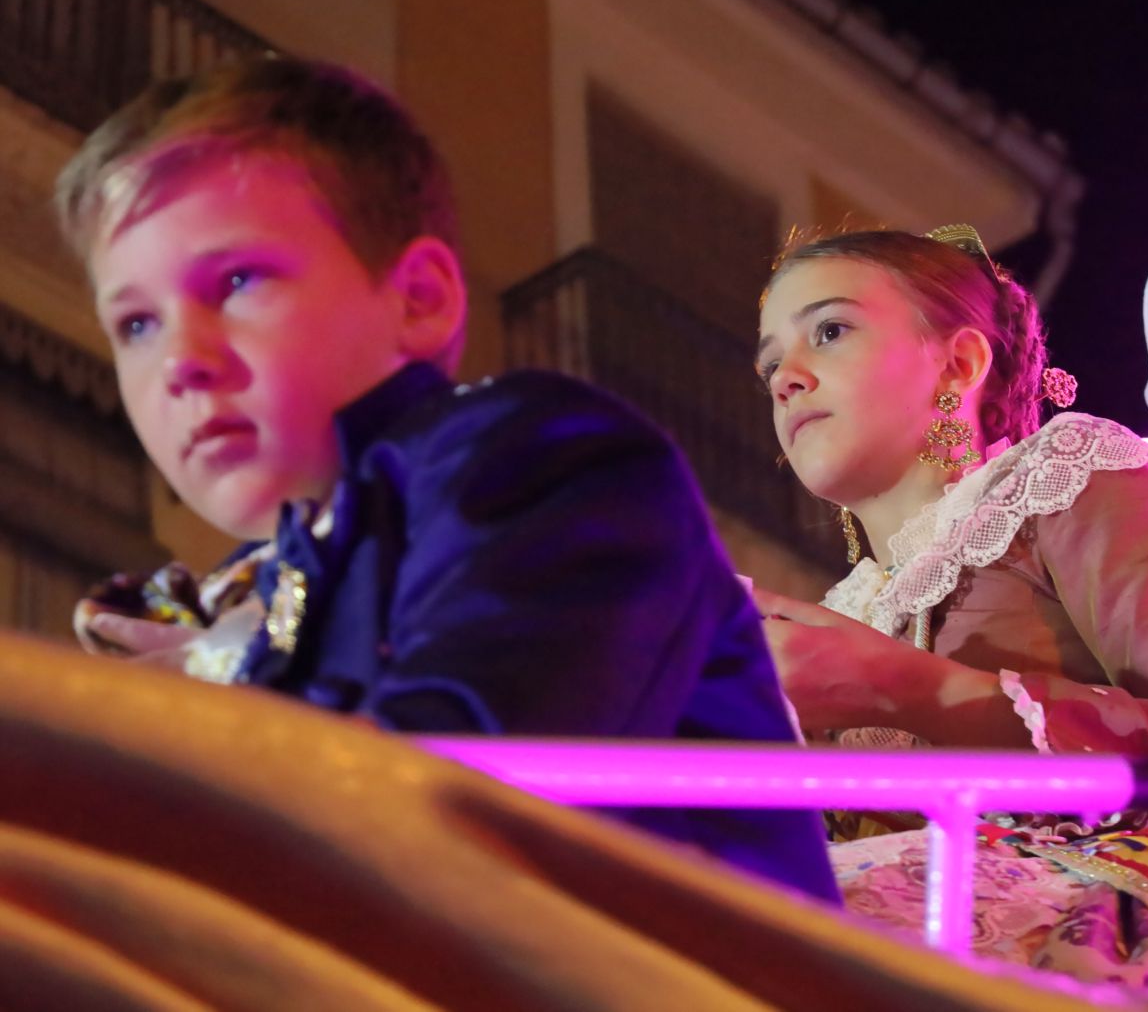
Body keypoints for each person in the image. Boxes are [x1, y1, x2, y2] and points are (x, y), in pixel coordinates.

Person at [53, 55, 837, 903]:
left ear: (420, 297)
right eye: (135, 322)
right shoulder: (293, 564)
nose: (178, 361)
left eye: (236, 281)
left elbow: (453, 790)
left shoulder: (547, 457)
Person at [752, 225, 1148, 980]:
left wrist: (912, 688)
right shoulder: (840, 614)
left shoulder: (1064, 482)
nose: (786, 375)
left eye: (828, 330)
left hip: (1070, 939)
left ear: (957, 363)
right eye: (768, 365)